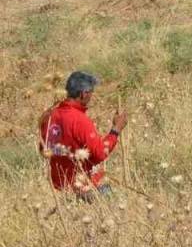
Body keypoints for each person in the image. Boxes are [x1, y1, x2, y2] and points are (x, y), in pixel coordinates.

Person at [37, 71, 127, 199]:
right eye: (91, 93)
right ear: (83, 94)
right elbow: (100, 152)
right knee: (118, 197)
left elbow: (43, 149)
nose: (91, 96)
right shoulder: (79, 120)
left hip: (57, 190)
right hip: (83, 188)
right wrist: (115, 130)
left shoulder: (49, 116)